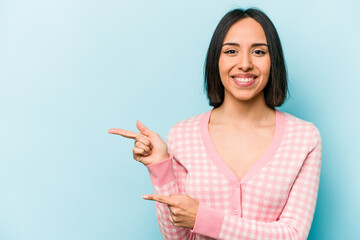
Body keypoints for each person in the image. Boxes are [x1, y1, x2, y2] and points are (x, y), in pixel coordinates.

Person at [108, 8, 322, 240]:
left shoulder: (304, 138)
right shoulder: (183, 135)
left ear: (274, 61)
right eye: (231, 51)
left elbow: (293, 235)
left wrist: (204, 219)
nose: (245, 64)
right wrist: (160, 167)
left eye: (259, 51)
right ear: (216, 60)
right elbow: (178, 237)